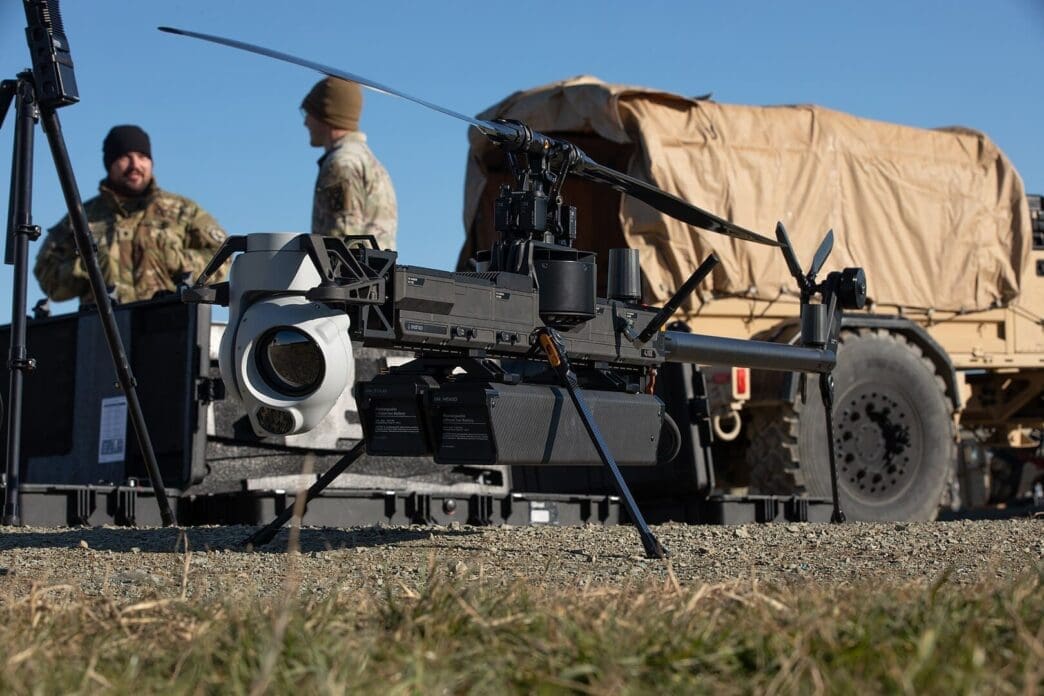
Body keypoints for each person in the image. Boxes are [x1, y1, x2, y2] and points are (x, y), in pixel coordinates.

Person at [34, 124, 228, 305]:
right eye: (125, 157)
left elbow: (223, 256)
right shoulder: (81, 217)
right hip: (101, 330)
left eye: (142, 157)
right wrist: (88, 266)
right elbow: (46, 275)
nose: (135, 165)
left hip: (170, 327)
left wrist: (174, 259)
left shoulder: (183, 211)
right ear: (109, 163)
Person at [301, 77, 397, 249]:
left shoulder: (340, 165)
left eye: (308, 113)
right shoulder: (372, 164)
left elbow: (341, 247)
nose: (305, 122)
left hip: (352, 275)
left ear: (326, 114)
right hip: (376, 275)